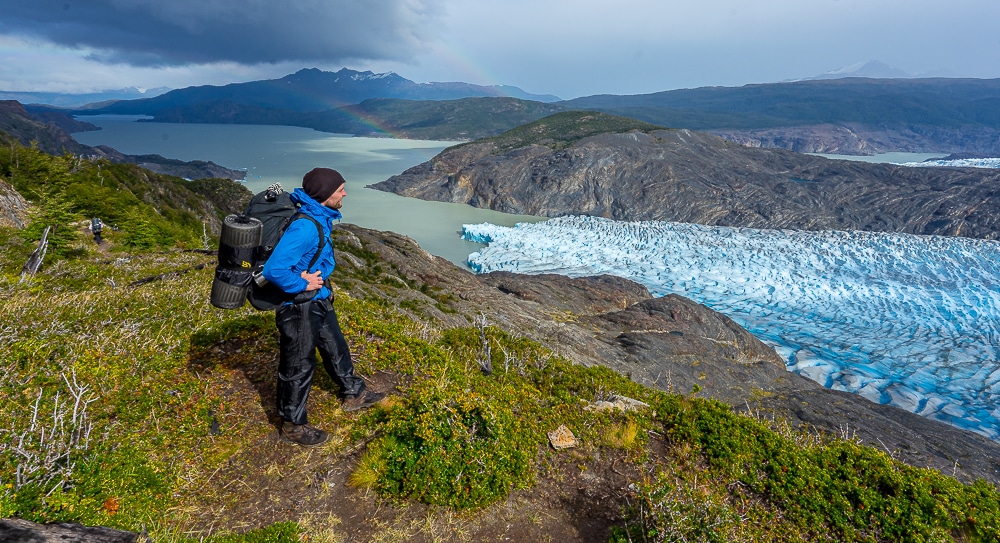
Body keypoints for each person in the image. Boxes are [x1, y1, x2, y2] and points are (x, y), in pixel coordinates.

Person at [262, 167, 385, 447]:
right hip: (300, 307)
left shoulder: (319, 215)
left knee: (335, 345)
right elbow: (274, 270)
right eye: (340, 189)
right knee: (298, 365)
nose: (344, 193)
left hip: (318, 300)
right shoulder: (305, 227)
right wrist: (301, 284)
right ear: (324, 194)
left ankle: (354, 393)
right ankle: (292, 425)